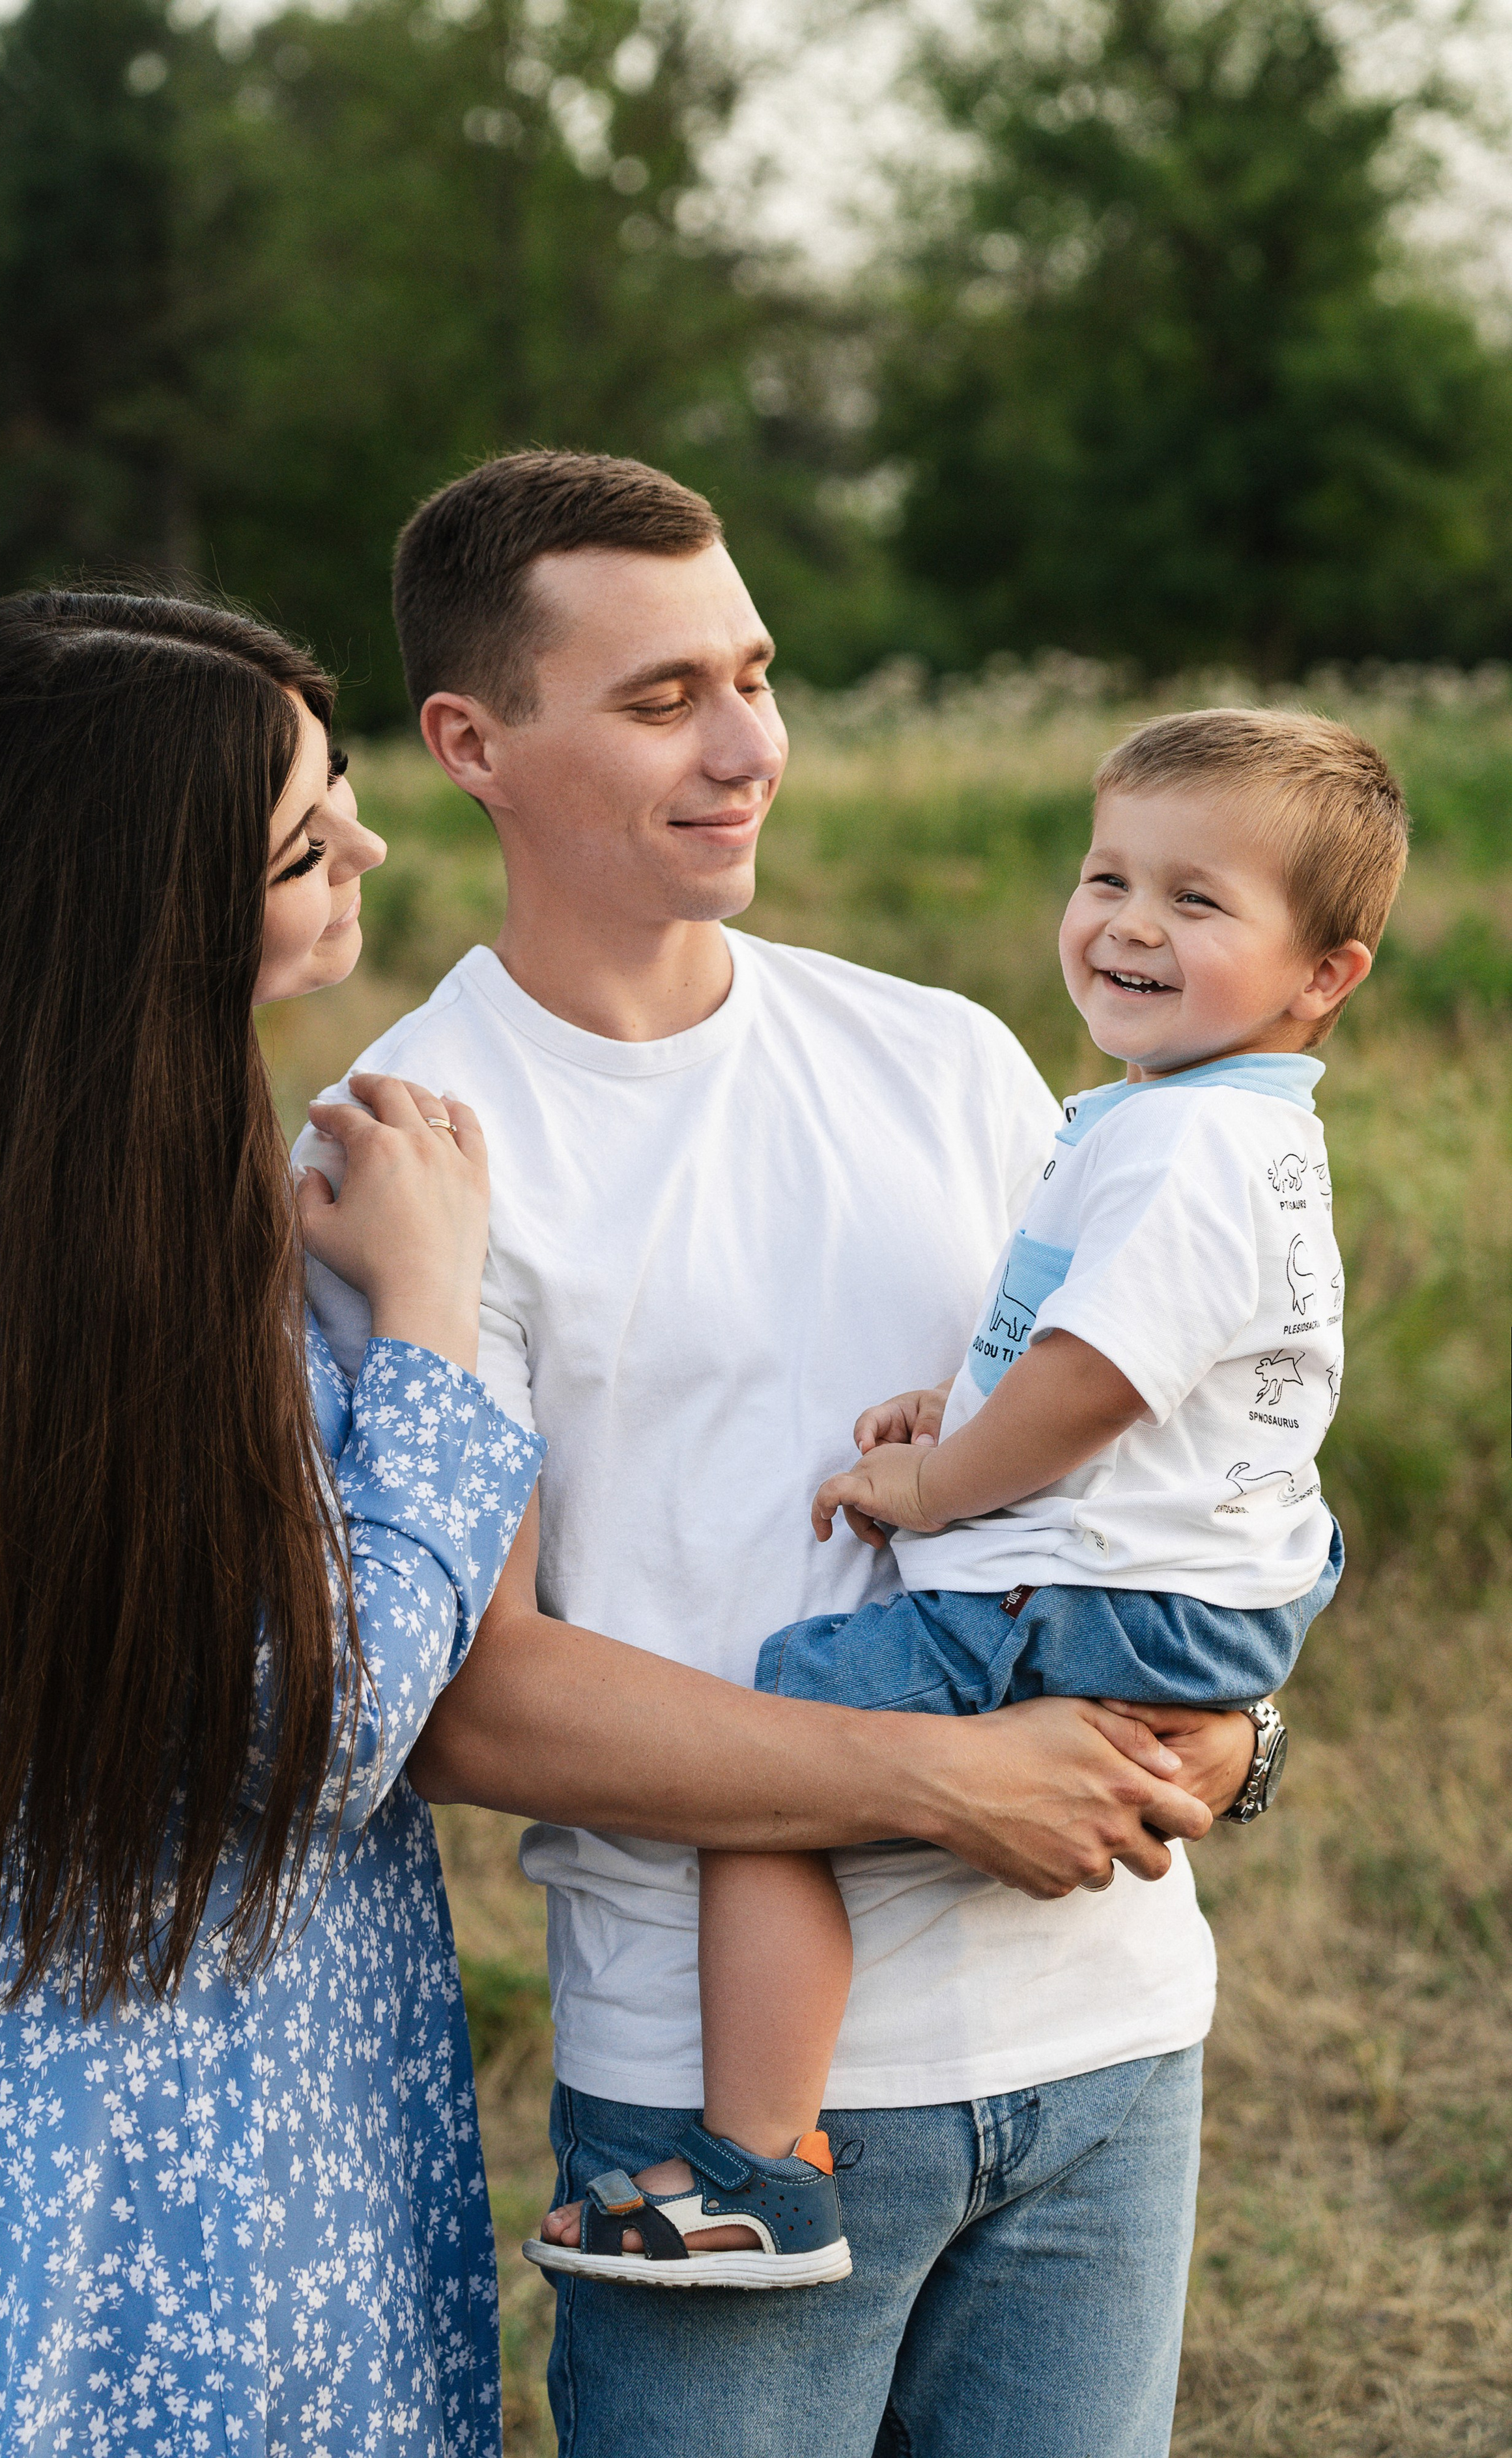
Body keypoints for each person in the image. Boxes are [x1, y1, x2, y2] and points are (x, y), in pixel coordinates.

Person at [300, 451, 1259, 2458]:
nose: (748, 747)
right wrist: (945, 1782)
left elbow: (1146, 1471)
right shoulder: (408, 1159)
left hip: (1107, 2038)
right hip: (726, 2130)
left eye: (754, 673)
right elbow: (467, 1694)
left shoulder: (951, 1057)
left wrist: (1233, 1728)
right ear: (471, 742)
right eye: (659, 700)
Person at [535, 707, 1406, 2293]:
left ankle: (755, 2165)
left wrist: (935, 1478)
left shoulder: (1180, 1147)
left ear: (1320, 974)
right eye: (1105, 876)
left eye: (1195, 903)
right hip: (1210, 1579)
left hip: (1102, 1594)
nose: (1129, 925)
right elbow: (1135, 1365)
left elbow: (1092, 1384)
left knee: (779, 1745)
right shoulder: (1208, 1128)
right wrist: (970, 1401)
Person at [0, 590, 545, 2458]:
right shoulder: (104, 1260)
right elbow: (311, 1729)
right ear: (138, 909)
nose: (371, 851)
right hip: (157, 2133)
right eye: (305, 841)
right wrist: (428, 1325)